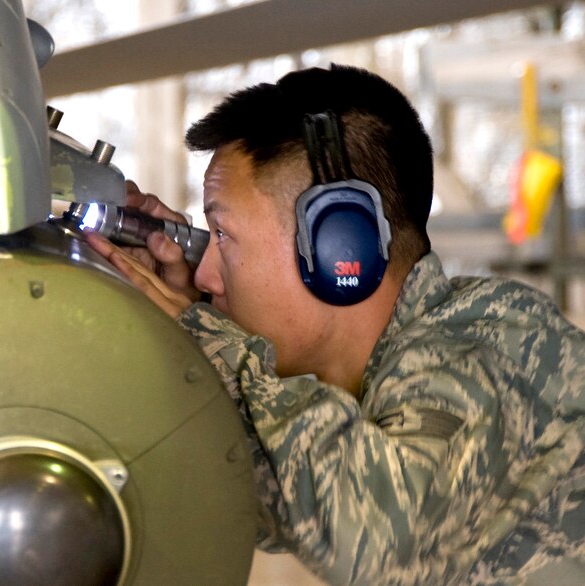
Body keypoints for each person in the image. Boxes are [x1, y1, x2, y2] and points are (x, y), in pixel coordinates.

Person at [85, 64, 585, 585]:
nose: (207, 274)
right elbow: (248, 486)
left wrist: (210, 342)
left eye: (223, 234)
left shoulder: (495, 340)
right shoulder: (354, 403)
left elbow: (378, 545)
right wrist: (172, 331)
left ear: (338, 244)